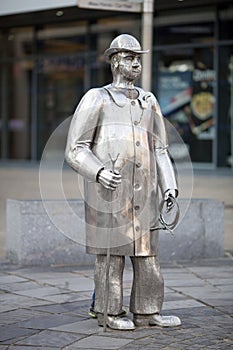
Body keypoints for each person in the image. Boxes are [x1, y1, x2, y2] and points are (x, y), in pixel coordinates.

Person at [65, 34, 181, 330]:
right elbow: (76, 148)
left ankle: (148, 311)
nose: (136, 63)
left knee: (147, 257)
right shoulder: (97, 98)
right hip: (109, 193)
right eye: (130, 58)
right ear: (115, 61)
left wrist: (169, 186)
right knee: (111, 257)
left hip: (146, 195)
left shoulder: (149, 100)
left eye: (138, 58)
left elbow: (160, 149)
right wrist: (99, 172)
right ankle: (109, 312)